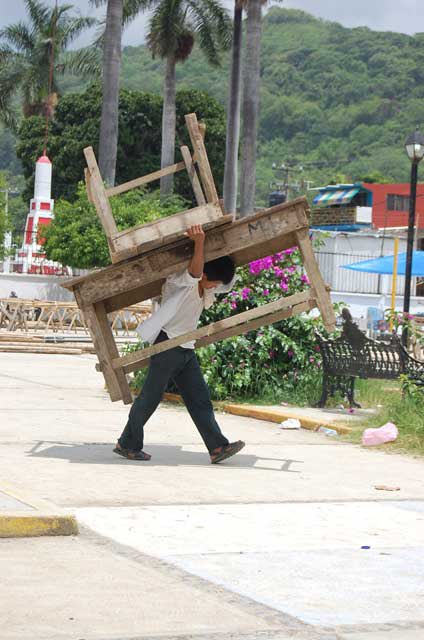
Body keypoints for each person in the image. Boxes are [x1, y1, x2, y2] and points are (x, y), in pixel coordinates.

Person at [114, 224, 245, 464]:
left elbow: (222, 280)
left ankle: (217, 447)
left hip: (184, 348)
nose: (216, 288)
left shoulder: (203, 290)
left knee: (200, 398)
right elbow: (195, 272)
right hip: (168, 345)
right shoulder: (180, 283)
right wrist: (199, 242)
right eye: (213, 282)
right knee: (150, 398)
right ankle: (127, 443)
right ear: (205, 275)